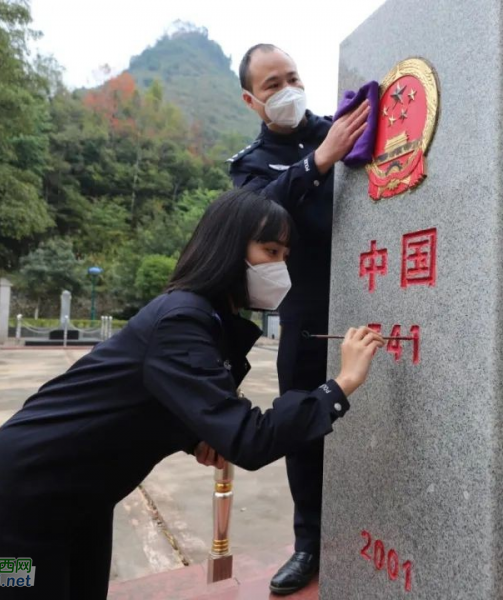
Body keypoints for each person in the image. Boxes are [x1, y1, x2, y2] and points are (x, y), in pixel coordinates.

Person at [0, 189, 385, 599]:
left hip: (82, 504)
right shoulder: (181, 320)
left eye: (285, 257)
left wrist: (193, 436)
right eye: (270, 252)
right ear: (229, 248)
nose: (279, 268)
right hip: (10, 506)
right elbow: (251, 438)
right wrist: (340, 385)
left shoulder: (208, 321)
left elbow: (155, 400)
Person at [226, 43, 369, 595]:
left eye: (292, 77)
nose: (286, 90)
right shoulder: (250, 165)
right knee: (302, 427)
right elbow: (256, 219)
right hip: (305, 311)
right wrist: (318, 162)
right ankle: (308, 543)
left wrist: (334, 144)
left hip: (372, 292)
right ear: (250, 99)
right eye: (271, 85)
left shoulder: (344, 127)